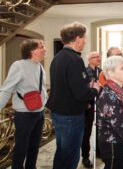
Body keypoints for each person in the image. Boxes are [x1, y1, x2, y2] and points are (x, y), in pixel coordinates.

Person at [46, 21, 99, 169]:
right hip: (70, 115)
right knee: (71, 156)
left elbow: (67, 87)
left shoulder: (57, 57)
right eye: (84, 38)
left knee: (62, 152)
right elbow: (81, 93)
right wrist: (95, 89)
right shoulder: (75, 60)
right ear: (77, 39)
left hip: (59, 113)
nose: (85, 41)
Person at [0, 39, 47, 169]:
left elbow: (42, 89)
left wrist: (45, 102)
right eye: (41, 47)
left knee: (34, 147)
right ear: (32, 51)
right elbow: (7, 88)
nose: (45, 49)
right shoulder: (18, 65)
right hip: (24, 115)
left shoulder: (40, 66)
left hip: (39, 112)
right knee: (21, 148)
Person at [81, 51, 102, 168]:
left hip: (100, 105)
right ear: (89, 59)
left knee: (100, 130)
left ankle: (99, 152)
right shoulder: (84, 72)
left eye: (99, 56)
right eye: (96, 57)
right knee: (86, 133)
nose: (99, 58)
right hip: (88, 106)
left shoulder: (101, 71)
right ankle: (85, 156)